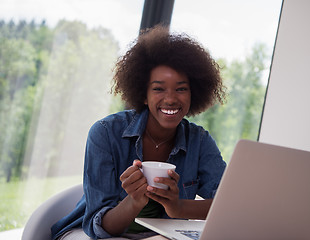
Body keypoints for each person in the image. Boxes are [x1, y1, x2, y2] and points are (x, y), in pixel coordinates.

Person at [51, 25, 227, 240]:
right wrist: (133, 201)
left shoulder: (199, 141)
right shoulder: (105, 133)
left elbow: (229, 205)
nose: (171, 98)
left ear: (194, 93)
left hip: (157, 235)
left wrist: (178, 207)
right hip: (90, 235)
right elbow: (102, 229)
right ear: (143, 94)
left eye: (181, 89)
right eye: (158, 88)